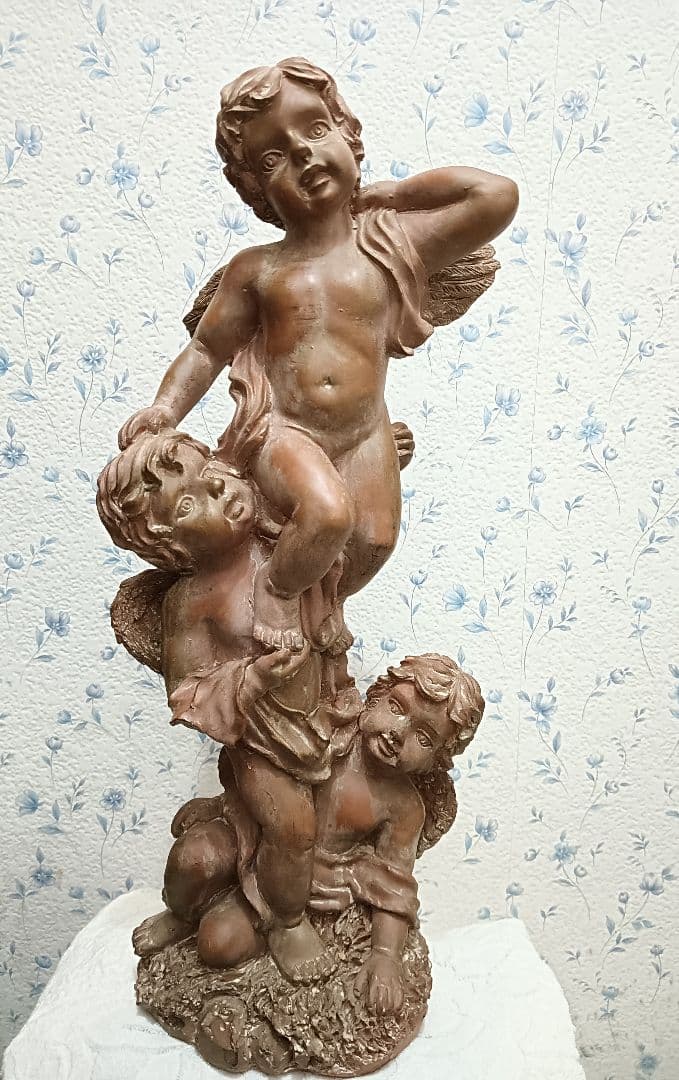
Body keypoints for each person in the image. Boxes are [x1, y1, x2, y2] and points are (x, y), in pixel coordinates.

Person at [117, 57, 518, 653]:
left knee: (375, 540)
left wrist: (395, 193)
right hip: (287, 433)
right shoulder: (258, 270)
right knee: (328, 515)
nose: (303, 154)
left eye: (316, 129)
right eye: (272, 158)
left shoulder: (389, 241)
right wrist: (165, 408)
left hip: (366, 430)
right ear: (256, 191)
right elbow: (206, 348)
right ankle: (276, 591)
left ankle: (316, 604)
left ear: (348, 135)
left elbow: (495, 196)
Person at [97, 430, 358, 981]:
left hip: (325, 721)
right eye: (188, 503)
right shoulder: (191, 601)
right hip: (262, 743)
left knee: (326, 823)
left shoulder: (281, 542)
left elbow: (335, 526)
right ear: (173, 549)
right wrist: (253, 678)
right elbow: (188, 689)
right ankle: (280, 921)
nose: (216, 487)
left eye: (207, 468)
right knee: (291, 829)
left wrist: (367, 461)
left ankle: (290, 894)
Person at [131, 653, 484, 1016]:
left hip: (300, 887)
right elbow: (262, 771)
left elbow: (393, 888)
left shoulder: (403, 808)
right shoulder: (329, 729)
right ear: (376, 696)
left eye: (423, 738)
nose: (397, 733)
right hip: (249, 832)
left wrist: (385, 955)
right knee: (192, 858)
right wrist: (221, 804)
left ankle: (270, 933)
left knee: (217, 944)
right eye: (396, 707)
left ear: (436, 760)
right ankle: (180, 914)